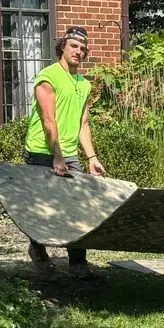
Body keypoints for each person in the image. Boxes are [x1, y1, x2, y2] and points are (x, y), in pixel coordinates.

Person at [24, 25, 107, 277]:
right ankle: (37, 250)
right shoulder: (48, 77)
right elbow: (49, 120)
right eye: (74, 46)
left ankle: (78, 264)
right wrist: (56, 156)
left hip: (69, 154)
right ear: (63, 46)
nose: (78, 51)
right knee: (43, 207)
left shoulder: (83, 84)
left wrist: (91, 157)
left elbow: (83, 123)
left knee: (78, 207)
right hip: (41, 152)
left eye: (83, 48)